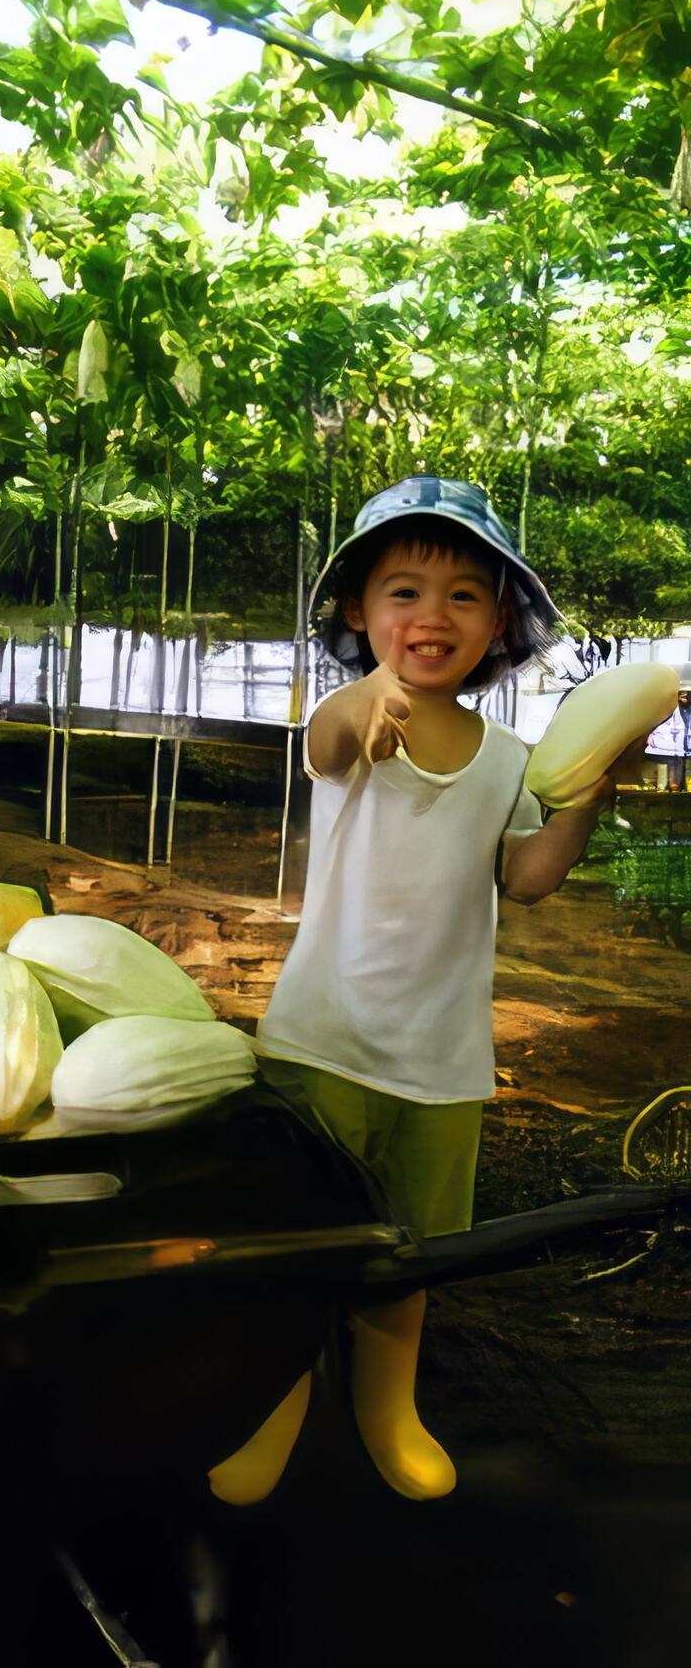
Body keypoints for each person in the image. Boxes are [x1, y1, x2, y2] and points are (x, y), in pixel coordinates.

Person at [209, 477, 618, 1510]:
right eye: (403, 591)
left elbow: (524, 877)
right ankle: (274, 1402)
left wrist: (579, 808)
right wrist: (364, 700)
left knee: (411, 1254)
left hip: (439, 1056)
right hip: (320, 1037)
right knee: (295, 1241)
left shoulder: (508, 760)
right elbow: (326, 744)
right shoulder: (348, 720)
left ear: (496, 622)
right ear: (358, 610)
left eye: (463, 596)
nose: (431, 617)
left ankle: (388, 1405)